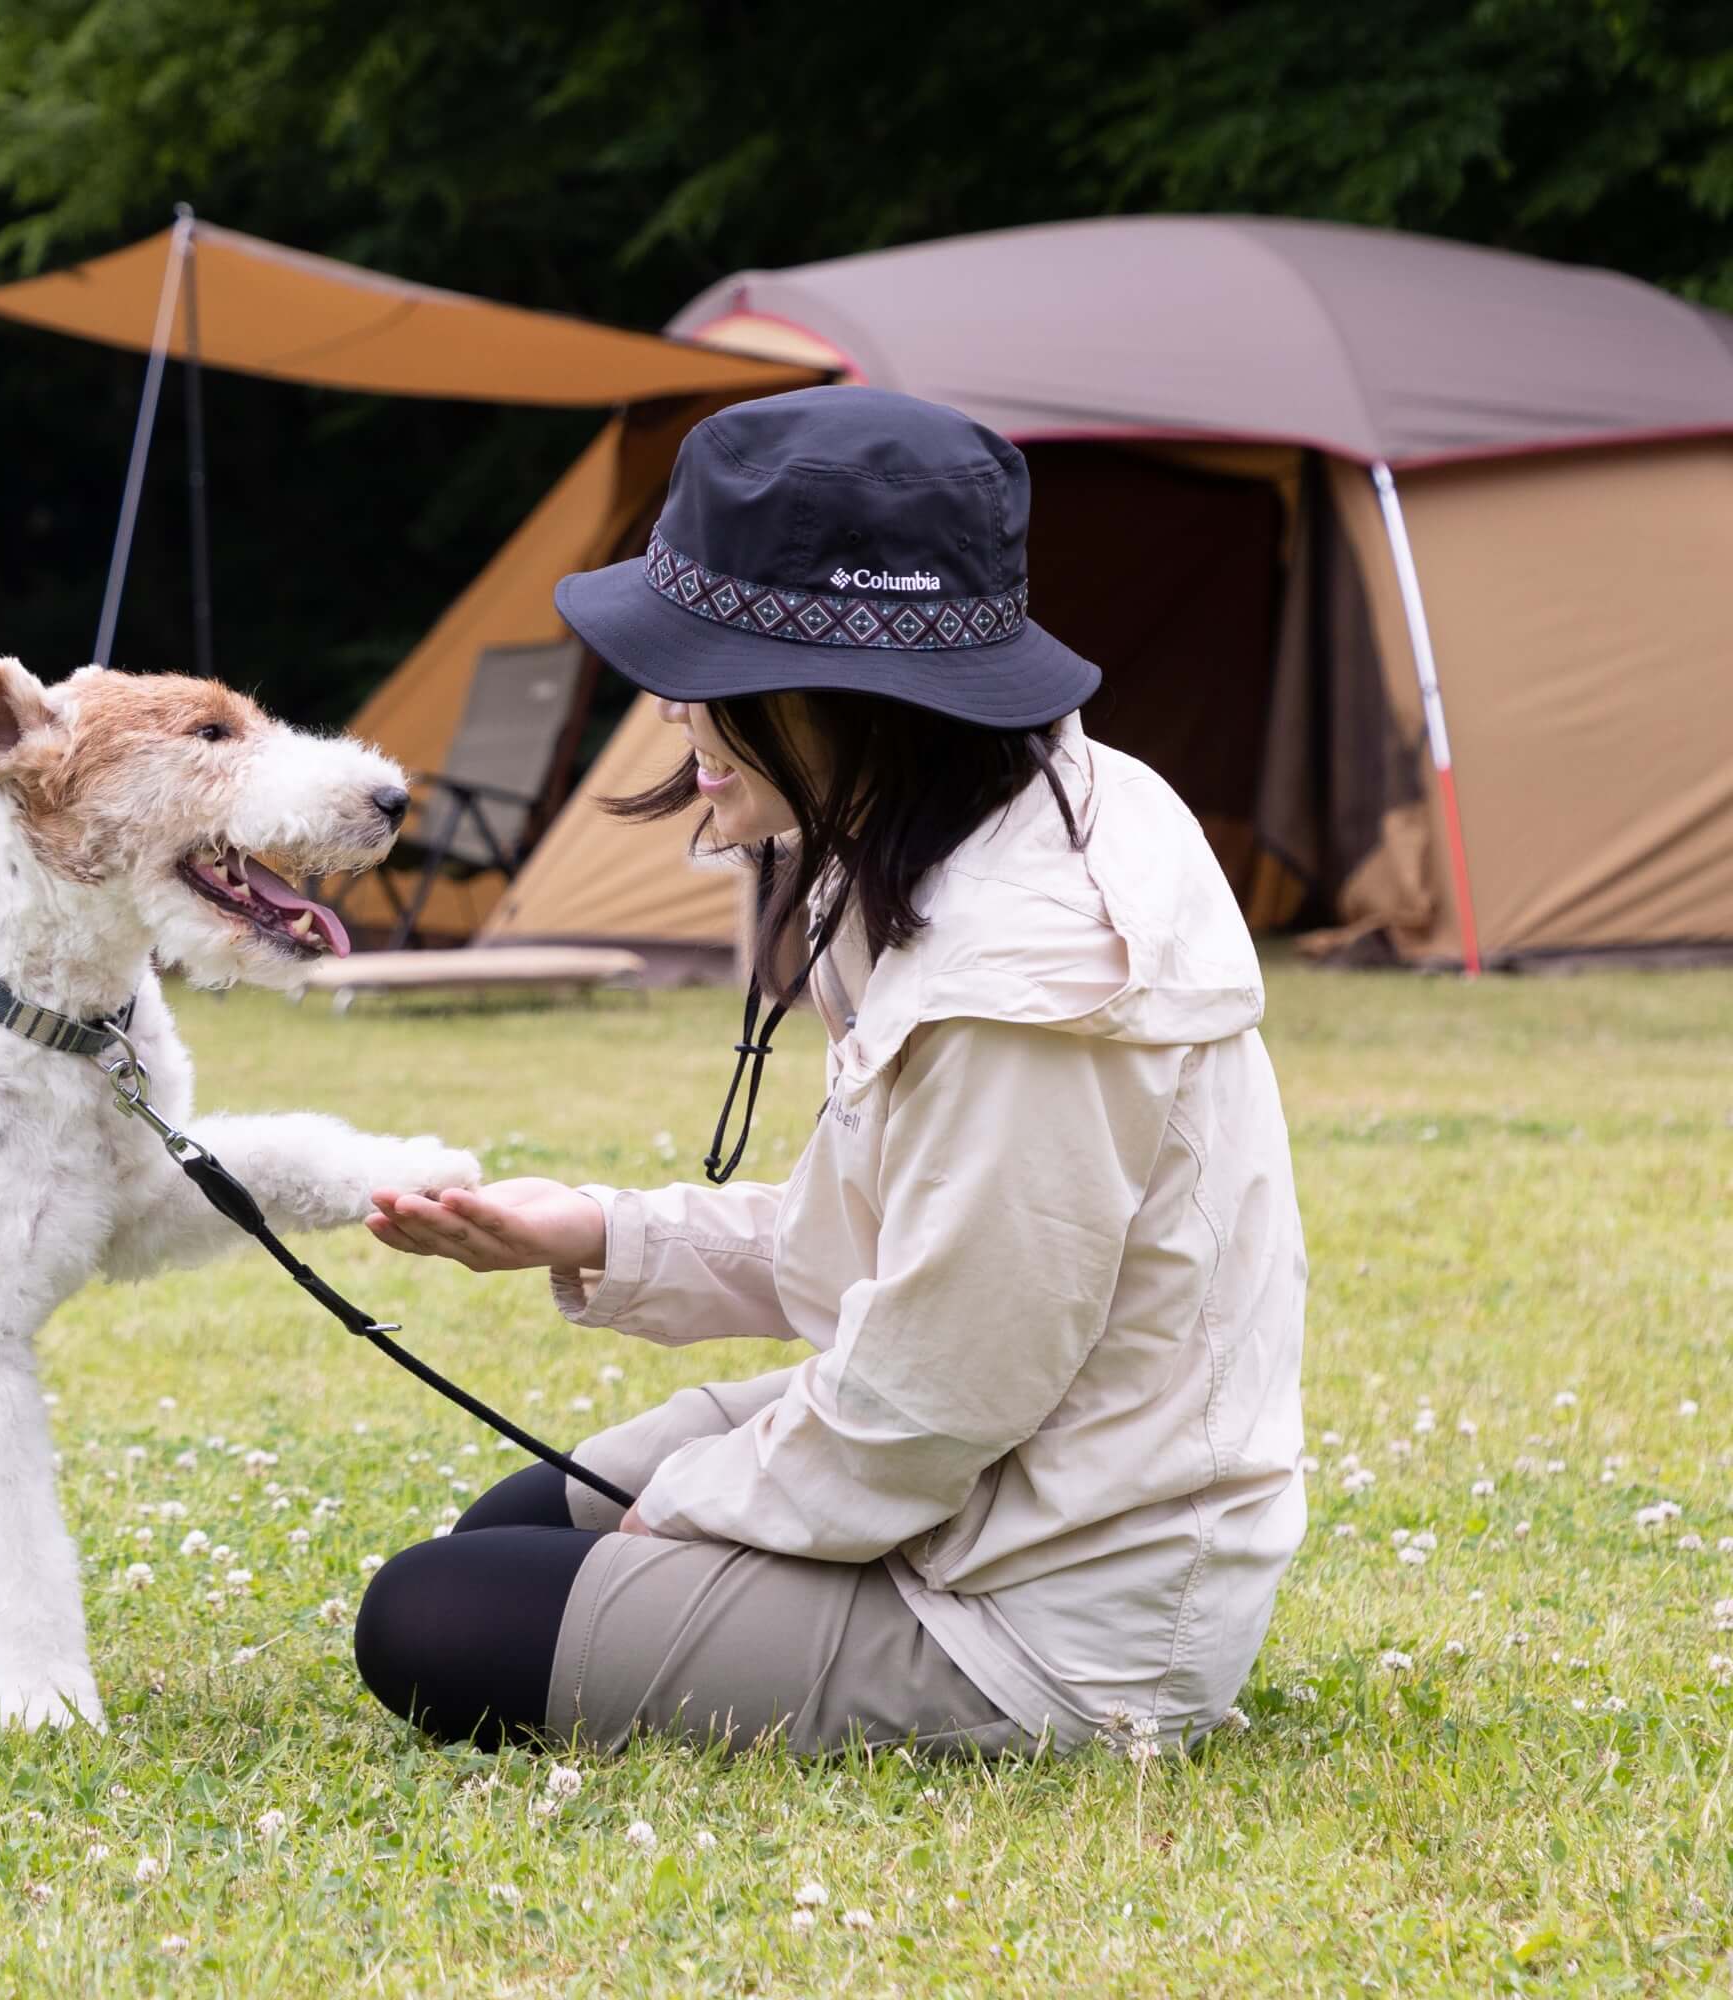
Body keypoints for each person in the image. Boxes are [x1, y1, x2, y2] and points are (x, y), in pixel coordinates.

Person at [353, 386, 1307, 1759]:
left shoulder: (1029, 977)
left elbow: (933, 1401)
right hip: (986, 1474)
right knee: (505, 1536)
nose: (671, 706)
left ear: (843, 694)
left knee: (433, 1619)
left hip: (1052, 1615)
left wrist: (688, 1513)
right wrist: (603, 1232)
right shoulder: (961, 824)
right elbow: (894, 1249)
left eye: (707, 666)